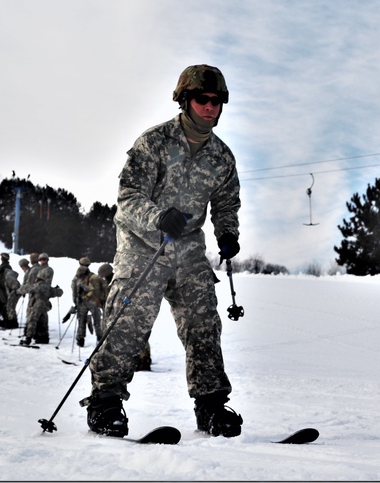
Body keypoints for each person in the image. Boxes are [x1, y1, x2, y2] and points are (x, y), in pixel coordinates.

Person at [81, 64, 242, 439]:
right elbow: (127, 198)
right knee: (128, 323)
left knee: (204, 323)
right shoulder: (154, 142)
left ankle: (212, 406)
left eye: (217, 101)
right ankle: (105, 402)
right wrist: (157, 217)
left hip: (188, 249)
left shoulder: (222, 157)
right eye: (203, 99)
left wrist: (228, 233)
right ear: (185, 100)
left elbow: (226, 203)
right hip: (143, 246)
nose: (211, 107)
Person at [20, 253, 54, 346]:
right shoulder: (39, 269)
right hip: (37, 296)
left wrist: (27, 289)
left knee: (33, 318)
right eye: (41, 260)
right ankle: (43, 337)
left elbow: (44, 285)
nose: (42, 261)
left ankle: (28, 338)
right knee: (42, 318)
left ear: (47, 260)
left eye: (44, 259)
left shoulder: (48, 270)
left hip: (41, 297)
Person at [67, 258, 102, 347]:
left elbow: (74, 290)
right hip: (89, 302)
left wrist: (76, 301)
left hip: (86, 301)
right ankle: (97, 338)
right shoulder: (92, 276)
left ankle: (82, 339)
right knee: (93, 321)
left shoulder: (78, 277)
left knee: (85, 321)